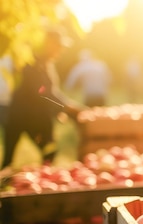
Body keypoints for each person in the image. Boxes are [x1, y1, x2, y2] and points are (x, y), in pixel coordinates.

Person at [2, 29, 86, 170]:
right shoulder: (33, 63)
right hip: (24, 116)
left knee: (47, 152)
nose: (60, 50)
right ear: (48, 44)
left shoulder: (47, 64)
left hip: (29, 117)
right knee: (44, 151)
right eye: (58, 45)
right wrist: (66, 106)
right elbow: (42, 92)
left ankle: (41, 181)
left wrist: (61, 109)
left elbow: (48, 92)